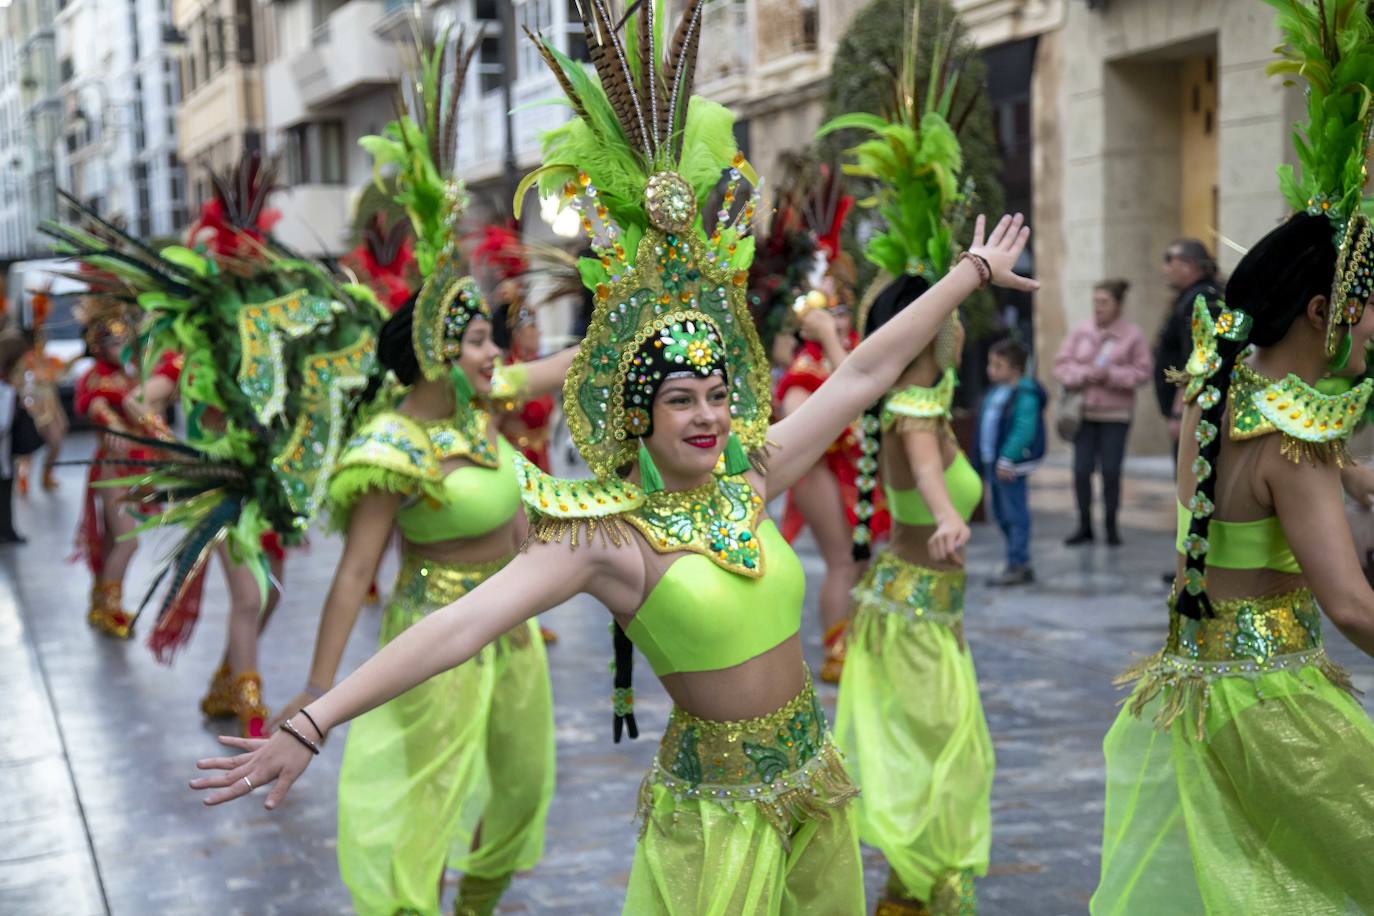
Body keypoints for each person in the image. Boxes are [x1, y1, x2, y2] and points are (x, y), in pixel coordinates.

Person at [189, 6, 1038, 911]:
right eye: (682, 401)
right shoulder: (608, 541)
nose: (710, 416)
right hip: (715, 824)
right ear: (638, 417)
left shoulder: (754, 472)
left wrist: (969, 274)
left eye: (717, 393)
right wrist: (316, 719)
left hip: (814, 791)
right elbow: (457, 627)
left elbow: (866, 369)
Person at [1094, 8, 1374, 911]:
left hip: (1203, 691)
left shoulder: (1218, 390)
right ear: (1324, 309)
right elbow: (1351, 603)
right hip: (1275, 705)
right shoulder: (1292, 438)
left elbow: (1213, 532)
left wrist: (1351, 477)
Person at [1054, 280, 1153, 545]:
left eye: (1104, 302)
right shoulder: (1081, 331)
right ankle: (1084, 526)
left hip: (1116, 415)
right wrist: (1083, 374)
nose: (1098, 307)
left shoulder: (1133, 335)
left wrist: (1111, 375)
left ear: (1118, 305)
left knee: (1111, 471)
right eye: (1095, 302)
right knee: (1081, 470)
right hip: (1082, 414)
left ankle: (1111, 527)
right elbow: (1061, 366)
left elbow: (1143, 372)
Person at [979, 338, 1046, 584]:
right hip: (993, 462)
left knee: (1015, 512)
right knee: (1000, 512)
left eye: (998, 365)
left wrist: (1008, 457)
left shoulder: (1025, 394)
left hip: (1009, 467)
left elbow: (1023, 429)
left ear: (1015, 368)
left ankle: (1019, 562)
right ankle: (1014, 558)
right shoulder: (996, 392)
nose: (991, 369)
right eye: (990, 364)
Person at [1152, 241, 1221, 449]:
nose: (1165, 269)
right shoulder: (1191, 297)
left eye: (1169, 260)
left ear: (1188, 264)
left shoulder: (1202, 299)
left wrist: (1179, 412)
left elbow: (1197, 358)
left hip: (1195, 411)